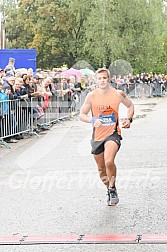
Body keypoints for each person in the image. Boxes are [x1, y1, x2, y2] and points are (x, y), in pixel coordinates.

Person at [79, 68, 134, 206]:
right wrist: (92, 120)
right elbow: (82, 114)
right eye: (99, 78)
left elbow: (130, 105)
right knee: (101, 169)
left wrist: (129, 118)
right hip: (98, 135)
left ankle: (112, 188)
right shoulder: (91, 96)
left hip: (113, 133)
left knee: (109, 161)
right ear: (96, 81)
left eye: (104, 78)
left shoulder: (118, 94)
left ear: (109, 79)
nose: (102, 80)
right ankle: (109, 188)